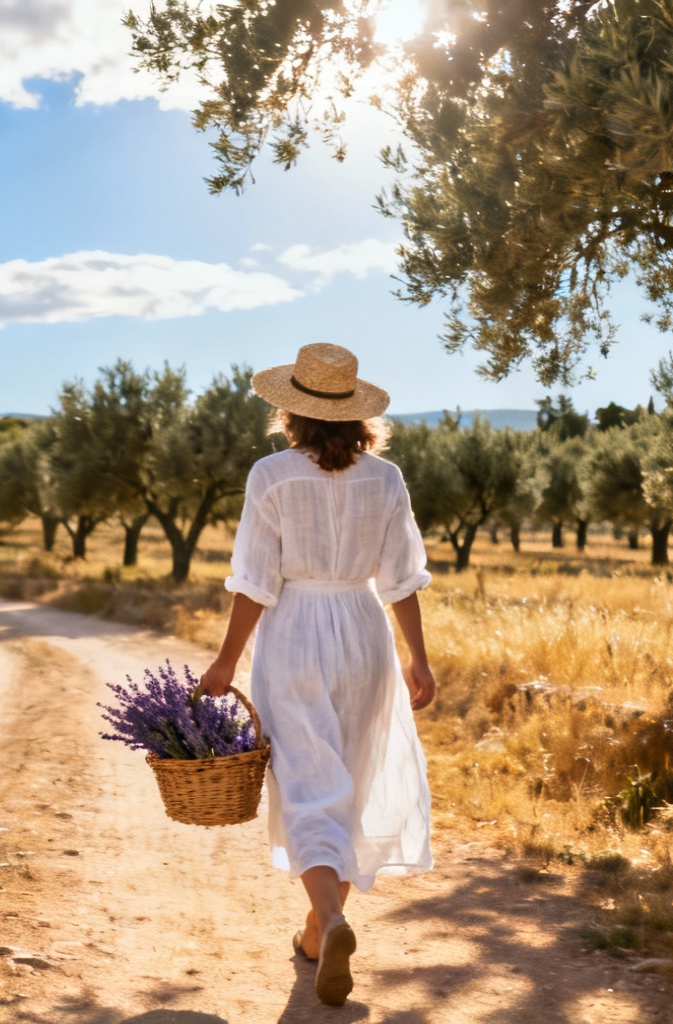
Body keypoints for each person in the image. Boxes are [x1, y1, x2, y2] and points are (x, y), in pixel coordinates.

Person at [198, 342, 436, 1007]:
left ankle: (330, 920)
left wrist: (224, 660)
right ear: (356, 416)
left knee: (308, 784)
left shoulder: (271, 475)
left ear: (292, 414)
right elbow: (402, 581)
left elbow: (255, 582)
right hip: (363, 631)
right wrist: (418, 657)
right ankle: (316, 928)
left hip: (296, 632)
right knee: (352, 781)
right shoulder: (385, 479)